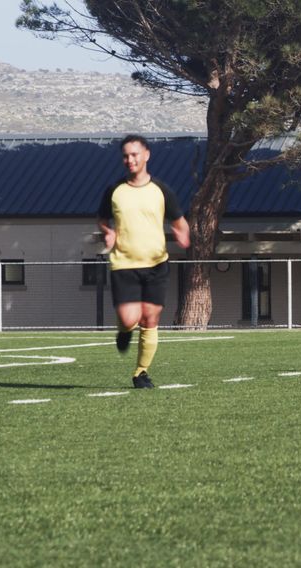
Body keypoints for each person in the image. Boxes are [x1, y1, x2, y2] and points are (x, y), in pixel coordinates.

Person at [97, 134, 190, 389]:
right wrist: (108, 232)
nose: (130, 160)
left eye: (135, 154)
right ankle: (125, 331)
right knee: (129, 319)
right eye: (126, 156)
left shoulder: (161, 191)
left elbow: (179, 222)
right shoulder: (115, 191)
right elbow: (103, 219)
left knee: (150, 318)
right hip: (124, 265)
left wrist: (183, 234)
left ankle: (141, 373)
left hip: (156, 265)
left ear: (146, 155)